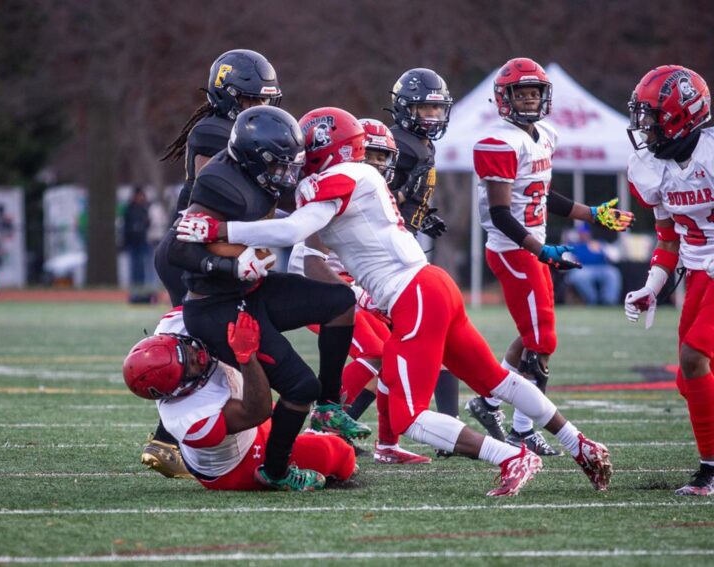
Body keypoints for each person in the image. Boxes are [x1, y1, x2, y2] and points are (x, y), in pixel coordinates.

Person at [177, 107, 614, 496]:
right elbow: (304, 234)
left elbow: (293, 232)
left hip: (413, 294)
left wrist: (220, 232)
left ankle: (510, 457)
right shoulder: (354, 176)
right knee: (496, 379)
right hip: (431, 283)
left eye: (304, 153)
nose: (297, 163)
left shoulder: (339, 177)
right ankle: (580, 443)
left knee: (409, 418)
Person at [167, 105, 369, 491]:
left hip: (252, 288)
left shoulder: (263, 174)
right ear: (251, 158)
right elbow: (177, 252)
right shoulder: (218, 184)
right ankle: (275, 470)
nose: (286, 175)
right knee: (299, 387)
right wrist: (229, 268)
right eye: (279, 166)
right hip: (217, 307)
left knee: (340, 302)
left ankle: (328, 408)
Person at [465, 57, 634, 456]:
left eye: (533, 92)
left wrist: (591, 213)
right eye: (520, 93)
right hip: (513, 250)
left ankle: (489, 404)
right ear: (504, 98)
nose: (527, 99)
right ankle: (521, 428)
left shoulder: (545, 136)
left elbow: (543, 195)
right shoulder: (498, 141)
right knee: (541, 340)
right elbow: (502, 214)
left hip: (533, 248)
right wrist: (542, 251)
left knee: (534, 338)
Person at [141, 49, 283, 477]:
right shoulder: (212, 131)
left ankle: (169, 440)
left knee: (207, 346)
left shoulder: (236, 127)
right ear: (226, 95)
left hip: (209, 249)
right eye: (248, 101)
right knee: (204, 345)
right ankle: (168, 440)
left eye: (264, 101)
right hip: (189, 251)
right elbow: (215, 191)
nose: (257, 109)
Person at [285, 119, 431, 465]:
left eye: (384, 157)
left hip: (350, 289)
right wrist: (360, 294)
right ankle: (321, 428)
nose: (378, 164)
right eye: (372, 155)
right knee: (376, 352)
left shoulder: (369, 193)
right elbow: (312, 264)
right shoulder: (333, 190)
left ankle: (387, 444)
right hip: (320, 290)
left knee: (394, 352)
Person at [123, 308, 356, 490]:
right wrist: (246, 358)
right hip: (238, 463)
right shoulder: (192, 419)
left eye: (186, 348)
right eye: (191, 365)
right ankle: (280, 476)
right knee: (340, 454)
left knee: (286, 420)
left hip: (242, 414)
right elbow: (258, 411)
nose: (197, 354)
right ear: (177, 390)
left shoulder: (172, 324)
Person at [624, 65, 714, 496]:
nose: (644, 127)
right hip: (697, 272)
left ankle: (710, 471)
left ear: (683, 114)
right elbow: (667, 237)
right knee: (688, 378)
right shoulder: (647, 166)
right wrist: (652, 286)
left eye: (651, 116)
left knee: (695, 358)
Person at [387, 68, 460, 432]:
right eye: (424, 110)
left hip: (404, 248)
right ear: (404, 109)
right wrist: (403, 197)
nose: (433, 117)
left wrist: (421, 213)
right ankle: (339, 424)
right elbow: (373, 198)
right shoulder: (396, 145)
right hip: (386, 258)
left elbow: (404, 197)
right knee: (386, 349)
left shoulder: (420, 144)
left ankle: (449, 421)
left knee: (435, 333)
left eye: (437, 110)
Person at [565, 223, 623, 305]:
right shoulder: (573, 245)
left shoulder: (598, 243)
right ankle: (593, 300)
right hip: (583, 268)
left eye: (585, 233)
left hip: (601, 267)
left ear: (589, 233)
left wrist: (607, 253)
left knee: (613, 273)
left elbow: (614, 256)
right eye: (581, 233)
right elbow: (565, 258)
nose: (583, 235)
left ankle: (609, 301)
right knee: (579, 276)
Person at [123, 187, 151, 290]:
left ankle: (141, 283)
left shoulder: (144, 208)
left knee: (142, 264)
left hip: (142, 240)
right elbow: (126, 226)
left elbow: (147, 223)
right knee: (134, 263)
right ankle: (135, 283)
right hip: (133, 241)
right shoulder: (129, 209)